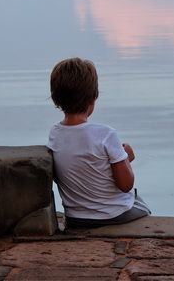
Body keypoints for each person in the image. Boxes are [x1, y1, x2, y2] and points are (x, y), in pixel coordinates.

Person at [47, 57, 150, 227]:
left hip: (76, 218)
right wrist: (126, 158)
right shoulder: (105, 135)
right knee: (139, 201)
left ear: (56, 99)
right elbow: (125, 185)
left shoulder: (55, 134)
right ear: (92, 98)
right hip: (113, 215)